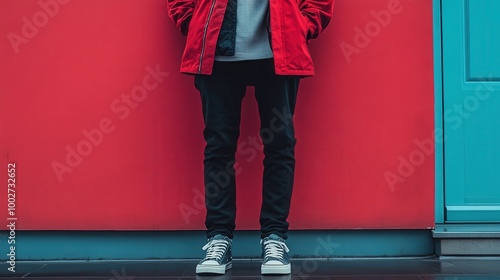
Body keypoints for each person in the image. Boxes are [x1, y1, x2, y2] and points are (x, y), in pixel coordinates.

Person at [167, 0, 334, 275]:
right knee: (219, 147)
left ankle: (274, 239)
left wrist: (299, 26)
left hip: (279, 51)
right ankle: (218, 239)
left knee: (280, 145)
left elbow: (319, 3)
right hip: (217, 54)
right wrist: (195, 22)